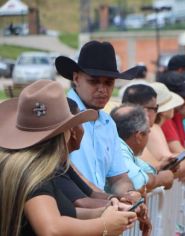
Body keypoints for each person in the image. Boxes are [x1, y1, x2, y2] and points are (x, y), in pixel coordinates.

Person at [0, 80, 137, 236]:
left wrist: (108, 212)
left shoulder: (29, 168)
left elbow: (68, 214)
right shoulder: (35, 175)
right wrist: (104, 225)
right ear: (67, 131)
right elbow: (51, 229)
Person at [55, 41, 141, 200]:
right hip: (66, 214)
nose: (102, 89)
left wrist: (129, 194)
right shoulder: (60, 116)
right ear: (76, 78)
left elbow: (119, 178)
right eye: (93, 81)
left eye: (109, 83)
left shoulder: (108, 123)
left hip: (99, 213)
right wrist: (108, 201)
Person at [110, 104, 175, 192]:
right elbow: (139, 183)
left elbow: (148, 171)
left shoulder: (125, 150)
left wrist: (160, 168)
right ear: (139, 136)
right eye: (148, 132)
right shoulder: (118, 150)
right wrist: (160, 179)